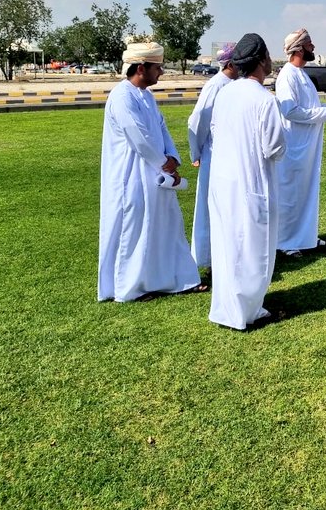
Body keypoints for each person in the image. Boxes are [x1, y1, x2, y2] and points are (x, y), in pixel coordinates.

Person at [98, 42, 201, 302]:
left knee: (166, 227)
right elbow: (138, 137)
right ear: (141, 68)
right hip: (131, 176)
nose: (162, 72)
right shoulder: (122, 96)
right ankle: (130, 289)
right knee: (134, 231)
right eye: (158, 67)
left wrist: (173, 158)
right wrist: (163, 162)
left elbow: (161, 128)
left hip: (157, 176)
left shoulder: (146, 96)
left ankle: (174, 279)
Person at [207, 33, 287, 329]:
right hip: (252, 181)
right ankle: (247, 312)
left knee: (229, 245)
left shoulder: (225, 93)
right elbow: (274, 148)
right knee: (253, 247)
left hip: (223, 182)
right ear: (262, 60)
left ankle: (228, 308)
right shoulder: (264, 100)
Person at [275, 28, 326, 257]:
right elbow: (289, 110)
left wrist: (323, 111)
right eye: (310, 44)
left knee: (306, 192)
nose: (313, 47)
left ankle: (306, 236)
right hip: (294, 147)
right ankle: (286, 242)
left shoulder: (301, 74)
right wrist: (322, 113)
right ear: (300, 48)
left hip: (307, 146)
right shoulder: (287, 76)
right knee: (290, 194)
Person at [186, 42, 237, 271]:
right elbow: (198, 121)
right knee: (209, 207)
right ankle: (205, 257)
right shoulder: (216, 85)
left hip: (230, 155)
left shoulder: (234, 85)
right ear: (232, 63)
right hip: (213, 154)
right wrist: (195, 152)